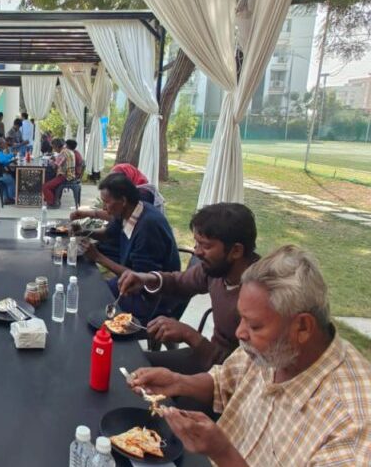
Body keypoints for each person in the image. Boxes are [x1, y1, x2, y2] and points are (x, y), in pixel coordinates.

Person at [129, 245, 371, 466]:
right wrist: (178, 382)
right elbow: (225, 382)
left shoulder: (352, 424)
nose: (239, 332)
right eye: (241, 318)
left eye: (254, 325)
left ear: (303, 328)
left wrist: (222, 452)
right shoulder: (273, 349)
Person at [119, 203, 259, 375]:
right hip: (205, 356)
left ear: (236, 251)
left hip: (227, 377)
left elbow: (246, 372)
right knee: (130, 363)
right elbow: (180, 282)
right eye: (196, 244)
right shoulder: (217, 270)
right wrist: (145, 278)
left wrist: (189, 335)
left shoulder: (259, 297)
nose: (197, 252)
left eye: (206, 246)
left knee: (146, 384)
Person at [78, 173, 184, 323]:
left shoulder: (148, 226)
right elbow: (109, 234)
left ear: (123, 200)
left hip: (154, 297)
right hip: (134, 279)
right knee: (88, 287)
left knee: (95, 298)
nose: (104, 207)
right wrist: (82, 231)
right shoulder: (130, 210)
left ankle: (104, 340)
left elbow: (140, 279)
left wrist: (97, 257)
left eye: (106, 202)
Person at [42, 138, 75, 207]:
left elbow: (54, 166)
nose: (53, 149)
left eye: (53, 147)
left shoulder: (63, 153)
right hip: (70, 174)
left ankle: (52, 203)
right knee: (49, 179)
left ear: (56, 146)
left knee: (45, 186)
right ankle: (53, 200)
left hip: (65, 176)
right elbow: (60, 162)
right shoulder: (68, 151)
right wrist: (55, 159)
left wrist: (51, 162)